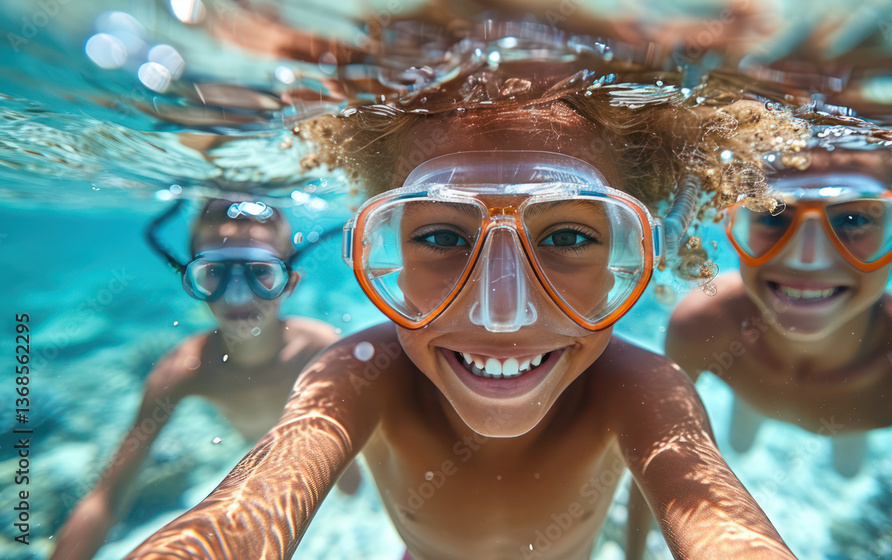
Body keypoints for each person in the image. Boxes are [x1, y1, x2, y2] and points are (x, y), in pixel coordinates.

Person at [120, 65, 808, 558]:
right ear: (380, 245)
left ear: (634, 254)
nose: (501, 315)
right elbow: (243, 513)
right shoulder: (358, 377)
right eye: (444, 238)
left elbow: (725, 532)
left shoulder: (642, 390)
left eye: (568, 237)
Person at [663, 149, 892, 559]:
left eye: (852, 219)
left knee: (848, 469)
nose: (806, 258)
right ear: (734, 222)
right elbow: (654, 469)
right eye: (773, 215)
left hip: (840, 394)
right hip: (759, 375)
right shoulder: (702, 325)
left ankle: (821, 421)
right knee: (738, 444)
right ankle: (757, 404)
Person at [52, 198, 359, 560]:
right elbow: (107, 496)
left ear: (289, 282)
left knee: (352, 488)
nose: (239, 294)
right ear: (190, 281)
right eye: (215, 273)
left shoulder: (322, 346)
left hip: (333, 469)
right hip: (247, 451)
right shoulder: (182, 369)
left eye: (259, 272)